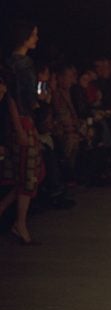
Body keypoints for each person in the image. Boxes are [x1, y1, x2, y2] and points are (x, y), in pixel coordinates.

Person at [0, 21, 43, 244]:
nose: (36, 38)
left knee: (25, 174)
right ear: (24, 37)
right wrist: (20, 126)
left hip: (18, 122)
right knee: (28, 174)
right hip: (22, 122)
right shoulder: (23, 64)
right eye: (33, 34)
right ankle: (20, 223)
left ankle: (14, 218)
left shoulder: (9, 62)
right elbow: (15, 99)